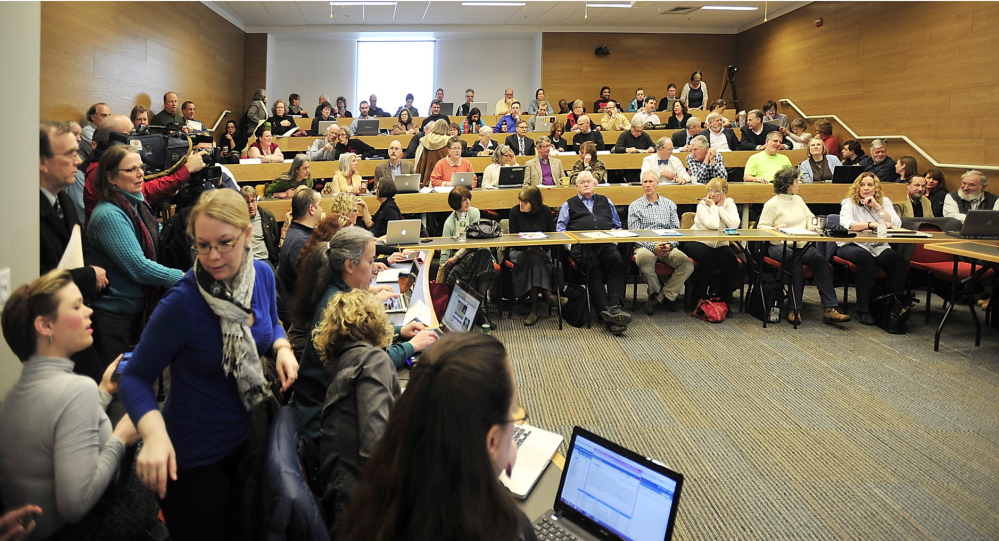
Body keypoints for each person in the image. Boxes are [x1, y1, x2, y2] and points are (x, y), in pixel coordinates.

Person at [119, 189, 299, 541]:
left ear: (248, 235)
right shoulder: (183, 303)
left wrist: (281, 347)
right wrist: (154, 436)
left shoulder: (261, 274)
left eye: (224, 243)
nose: (213, 256)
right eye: (203, 245)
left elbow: (271, 322)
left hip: (247, 444)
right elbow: (135, 376)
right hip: (193, 461)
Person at [339, 333, 536, 541]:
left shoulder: (373, 503)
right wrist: (493, 471)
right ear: (492, 440)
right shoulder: (507, 530)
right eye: (512, 412)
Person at [0, 269, 148, 539]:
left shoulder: (11, 399)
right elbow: (75, 505)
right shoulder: (76, 391)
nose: (89, 312)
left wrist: (102, 390)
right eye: (78, 306)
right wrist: (119, 438)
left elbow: (64, 427)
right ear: (46, 326)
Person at [288, 227, 437, 440]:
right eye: (370, 261)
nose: (374, 269)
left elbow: (359, 341)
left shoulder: (338, 292)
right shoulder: (337, 307)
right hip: (325, 421)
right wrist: (411, 346)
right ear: (349, 265)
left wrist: (398, 331)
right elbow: (373, 360)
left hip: (319, 403)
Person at [313, 288, 401, 537]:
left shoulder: (345, 363)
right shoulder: (373, 360)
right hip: (365, 511)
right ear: (374, 323)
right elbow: (377, 446)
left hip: (343, 501)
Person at [87, 146, 184, 364]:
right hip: (115, 317)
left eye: (141, 167)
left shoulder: (136, 203)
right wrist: (185, 277)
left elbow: (159, 237)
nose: (140, 173)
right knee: (118, 388)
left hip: (134, 311)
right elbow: (139, 268)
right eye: (131, 170)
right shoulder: (109, 215)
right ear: (111, 177)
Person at [758, 167, 851, 324]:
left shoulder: (798, 200)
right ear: (788, 185)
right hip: (778, 245)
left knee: (821, 261)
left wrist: (811, 225)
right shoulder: (772, 204)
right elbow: (761, 227)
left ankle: (830, 307)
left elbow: (810, 217)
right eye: (796, 181)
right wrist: (776, 228)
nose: (799, 184)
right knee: (795, 263)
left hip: (801, 243)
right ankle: (794, 308)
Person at [556, 171, 632, 335]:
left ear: (595, 183)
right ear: (576, 187)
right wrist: (569, 247)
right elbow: (560, 230)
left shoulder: (606, 201)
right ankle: (606, 312)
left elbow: (617, 225)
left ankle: (614, 306)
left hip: (605, 244)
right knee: (593, 269)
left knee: (617, 263)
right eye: (582, 182)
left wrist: (614, 240)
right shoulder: (569, 204)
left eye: (588, 181)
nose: (585, 184)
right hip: (581, 246)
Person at [836, 172, 908, 325]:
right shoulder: (849, 202)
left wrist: (877, 206)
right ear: (857, 187)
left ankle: (889, 305)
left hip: (878, 245)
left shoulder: (884, 202)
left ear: (876, 187)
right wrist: (870, 225)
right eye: (863, 185)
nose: (866, 188)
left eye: (870, 185)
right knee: (866, 260)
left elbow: (896, 222)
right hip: (851, 244)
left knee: (898, 263)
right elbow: (847, 224)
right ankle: (863, 309)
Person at [628, 171, 694, 314]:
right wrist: (653, 246)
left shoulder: (669, 205)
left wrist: (670, 244)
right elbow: (635, 233)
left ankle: (660, 297)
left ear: (657, 183)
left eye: (651, 181)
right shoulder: (635, 206)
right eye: (645, 182)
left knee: (687, 265)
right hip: (644, 245)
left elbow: (676, 231)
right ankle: (660, 295)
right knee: (646, 264)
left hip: (667, 244)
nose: (647, 185)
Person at [508, 186, 561, 326]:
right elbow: (513, 240)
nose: (521, 205)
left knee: (535, 259)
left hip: (541, 250)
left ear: (534, 203)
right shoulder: (514, 212)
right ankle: (548, 295)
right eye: (520, 201)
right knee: (533, 258)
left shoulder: (545, 211)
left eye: (525, 202)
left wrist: (540, 248)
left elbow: (552, 236)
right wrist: (529, 248)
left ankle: (534, 311)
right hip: (519, 251)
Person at [686, 178, 741, 309]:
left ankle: (724, 300)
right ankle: (698, 298)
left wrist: (721, 209)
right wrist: (714, 207)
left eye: (717, 191)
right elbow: (713, 225)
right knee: (708, 260)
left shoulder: (730, 203)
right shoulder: (703, 204)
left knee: (730, 261)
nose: (713, 194)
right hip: (699, 241)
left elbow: (734, 224)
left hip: (720, 243)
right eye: (710, 190)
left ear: (725, 193)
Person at [276, 188, 323, 325]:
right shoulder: (300, 242)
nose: (321, 209)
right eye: (319, 205)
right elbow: (313, 286)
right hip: (302, 316)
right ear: (311, 209)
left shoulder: (301, 234)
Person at [439, 186, 496, 291]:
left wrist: (456, 257)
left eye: (468, 199)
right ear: (456, 203)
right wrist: (444, 265)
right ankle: (477, 303)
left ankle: (479, 302)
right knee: (481, 258)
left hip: (475, 249)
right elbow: (445, 247)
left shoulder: (474, 213)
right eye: (464, 200)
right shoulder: (449, 222)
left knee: (483, 253)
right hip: (462, 257)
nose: (468, 202)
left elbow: (474, 240)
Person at [240, 185, 280, 268]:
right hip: (245, 263)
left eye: (253, 201)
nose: (251, 205)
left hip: (264, 260)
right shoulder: (236, 220)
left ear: (257, 201)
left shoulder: (268, 217)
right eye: (247, 202)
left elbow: (275, 243)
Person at [413, 120, 451, 187]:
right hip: (443, 176)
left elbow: (420, 159)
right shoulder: (449, 142)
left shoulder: (426, 139)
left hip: (427, 175)